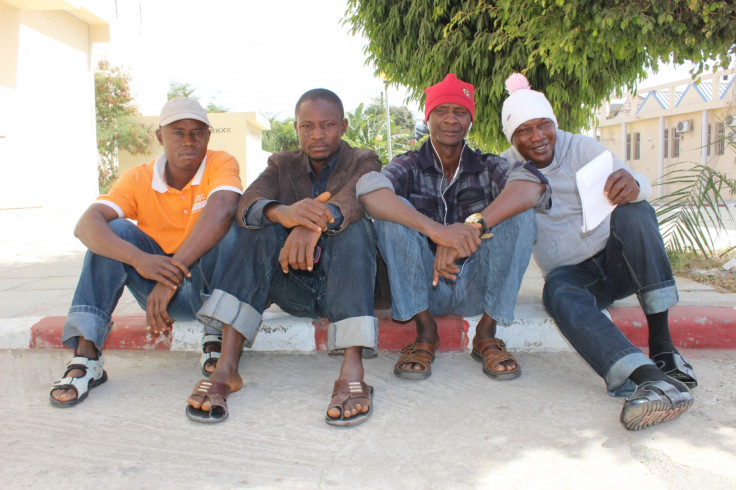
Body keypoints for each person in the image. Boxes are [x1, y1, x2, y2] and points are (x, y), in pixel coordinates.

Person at [499, 73, 697, 431]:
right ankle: (650, 379)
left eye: (544, 125)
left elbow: (637, 182)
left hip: (617, 259)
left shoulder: (583, 148)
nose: (537, 137)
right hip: (575, 276)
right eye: (523, 131)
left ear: (554, 124)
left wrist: (634, 184)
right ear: (511, 138)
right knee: (556, 292)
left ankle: (664, 347)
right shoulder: (505, 169)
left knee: (636, 211)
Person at [185, 88, 381, 426]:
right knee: (260, 227)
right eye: (307, 126)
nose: (316, 134)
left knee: (356, 228)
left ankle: (352, 368)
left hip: (348, 286)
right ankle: (227, 367)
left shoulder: (362, 159)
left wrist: (313, 224)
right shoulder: (282, 163)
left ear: (344, 126)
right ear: (296, 128)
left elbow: (356, 197)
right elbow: (248, 203)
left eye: (327, 125)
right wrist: (286, 213)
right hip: (296, 288)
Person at [50, 97, 242, 407]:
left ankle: (215, 331)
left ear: (208, 135)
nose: (190, 141)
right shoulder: (138, 178)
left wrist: (171, 275)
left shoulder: (220, 162)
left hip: (207, 289)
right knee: (113, 231)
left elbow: (223, 208)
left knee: (230, 225)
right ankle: (87, 357)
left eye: (198, 132)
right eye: (178, 132)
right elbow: (86, 225)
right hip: (159, 300)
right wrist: (140, 260)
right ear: (159, 136)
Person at [357, 74, 549, 381]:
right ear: (428, 117)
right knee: (391, 215)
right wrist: (436, 231)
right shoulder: (408, 165)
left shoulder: (488, 165)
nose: (450, 119)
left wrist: (471, 228)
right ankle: (425, 331)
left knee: (521, 214)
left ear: (470, 119)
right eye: (441, 111)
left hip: (476, 285)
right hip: (424, 287)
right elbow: (369, 190)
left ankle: (487, 333)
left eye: (459, 112)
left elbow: (531, 185)